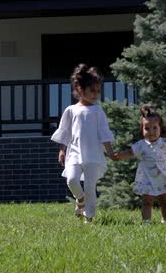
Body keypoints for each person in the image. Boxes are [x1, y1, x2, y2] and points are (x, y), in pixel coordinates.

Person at [114, 105, 166, 224]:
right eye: (147, 128)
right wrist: (117, 156)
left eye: (155, 128)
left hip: (162, 176)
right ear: (142, 129)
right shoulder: (141, 145)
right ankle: (146, 222)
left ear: (160, 128)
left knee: (165, 201)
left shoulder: (165, 143)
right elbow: (129, 152)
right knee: (147, 201)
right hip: (146, 177)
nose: (151, 132)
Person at [51, 64, 115, 223]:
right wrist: (62, 150)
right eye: (92, 90)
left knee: (90, 187)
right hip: (74, 153)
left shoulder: (98, 111)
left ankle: (89, 217)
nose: (96, 94)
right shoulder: (71, 110)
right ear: (80, 89)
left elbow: (104, 133)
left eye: (98, 90)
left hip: (93, 155)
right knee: (72, 180)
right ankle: (80, 200)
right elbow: (65, 132)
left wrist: (110, 152)